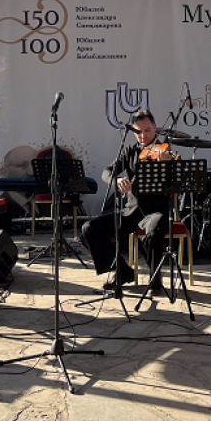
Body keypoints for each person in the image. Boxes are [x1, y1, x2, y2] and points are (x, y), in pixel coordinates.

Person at [80, 109, 172, 293]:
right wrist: (117, 180)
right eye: (138, 132)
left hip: (155, 211)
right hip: (131, 211)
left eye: (147, 130)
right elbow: (107, 172)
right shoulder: (130, 151)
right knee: (88, 229)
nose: (143, 136)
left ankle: (155, 278)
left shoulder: (164, 151)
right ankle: (122, 271)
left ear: (155, 127)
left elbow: (174, 184)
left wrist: (167, 165)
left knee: (154, 230)